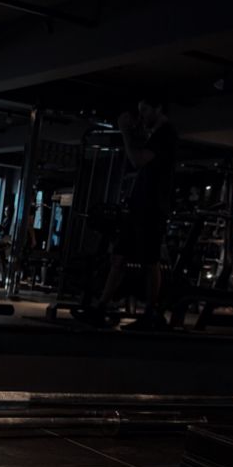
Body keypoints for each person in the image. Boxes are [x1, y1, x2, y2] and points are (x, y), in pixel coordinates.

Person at [76, 93, 177, 331]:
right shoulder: (156, 135)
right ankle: (101, 307)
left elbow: (137, 159)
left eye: (145, 110)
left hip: (152, 208)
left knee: (150, 260)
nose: (141, 116)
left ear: (158, 108)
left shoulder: (166, 135)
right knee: (119, 257)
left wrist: (124, 131)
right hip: (139, 205)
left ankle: (151, 313)